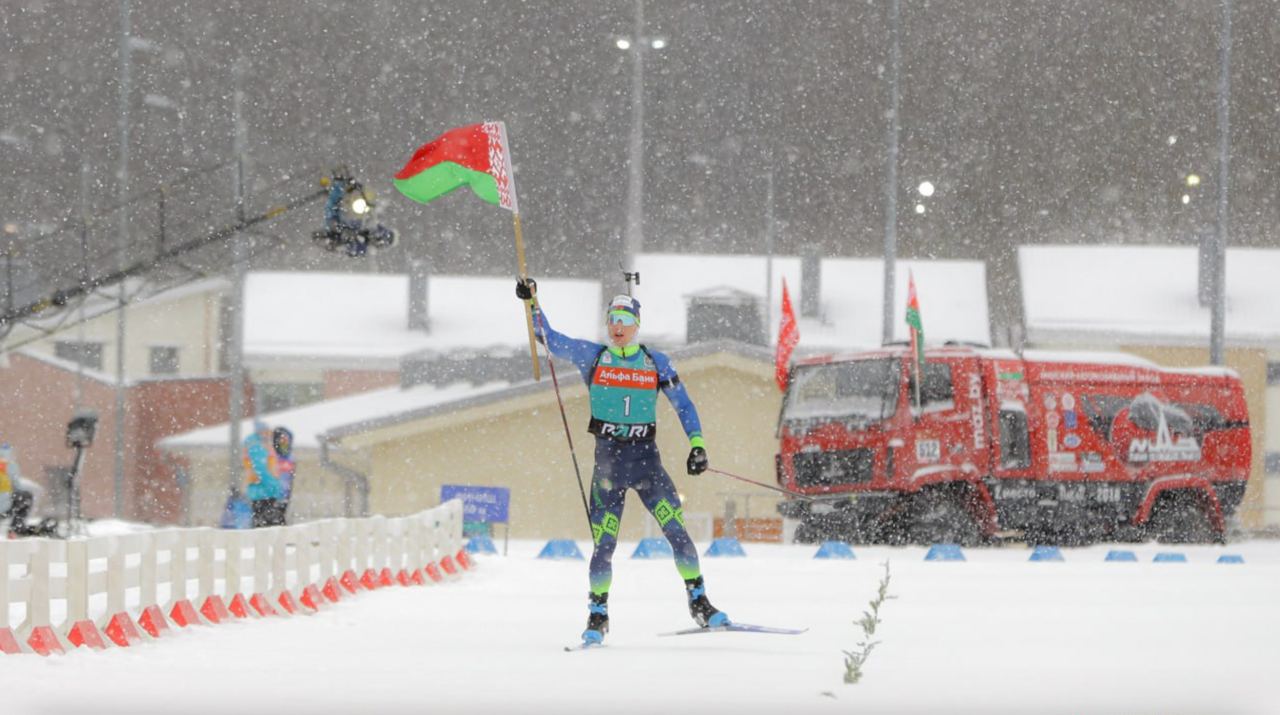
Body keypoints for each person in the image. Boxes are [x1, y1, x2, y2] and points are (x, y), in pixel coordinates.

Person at [516, 278, 729, 646]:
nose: (617, 327)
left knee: (677, 532)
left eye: (624, 320)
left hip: (647, 464)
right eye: (612, 319)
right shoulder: (594, 356)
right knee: (605, 544)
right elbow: (548, 337)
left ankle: (700, 602)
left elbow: (684, 405)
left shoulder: (656, 362)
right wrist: (532, 301)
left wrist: (698, 445)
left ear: (636, 325)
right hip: (609, 467)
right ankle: (597, 615)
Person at [243, 421, 285, 527]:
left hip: (263, 491)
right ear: (261, 432)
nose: (269, 434)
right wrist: (273, 487)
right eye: (266, 431)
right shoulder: (256, 446)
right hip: (263, 492)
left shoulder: (260, 444)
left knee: (264, 522)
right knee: (267, 523)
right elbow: (261, 469)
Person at [272, 426, 296, 524]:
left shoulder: (290, 457)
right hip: (272, 496)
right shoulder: (272, 456)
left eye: (286, 440)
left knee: (281, 521)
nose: (284, 443)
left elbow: (290, 477)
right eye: (282, 440)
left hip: (285, 495)